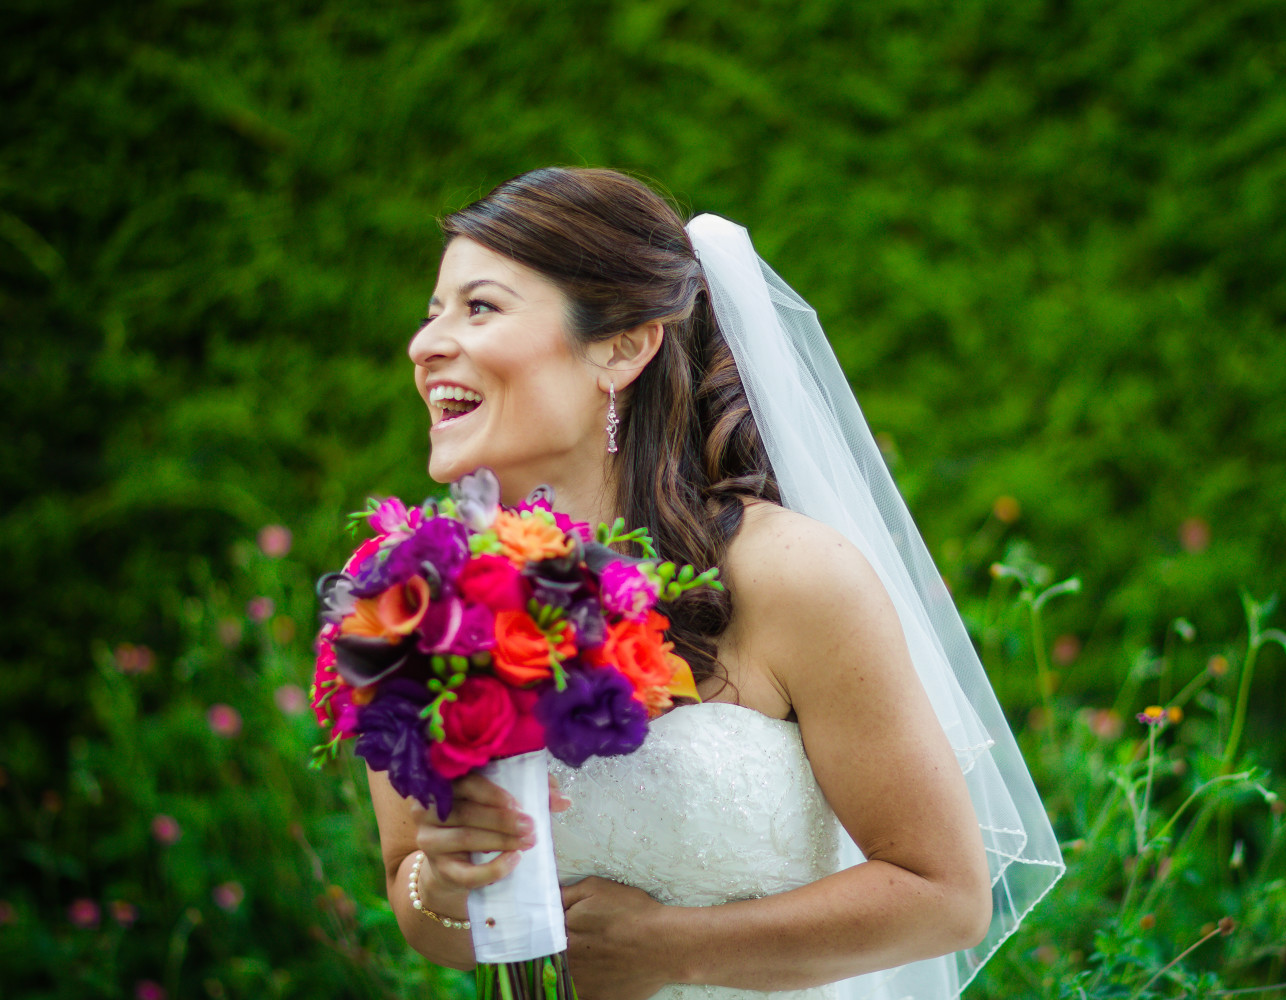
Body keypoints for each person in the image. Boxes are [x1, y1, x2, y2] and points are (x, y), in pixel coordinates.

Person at [368, 167, 1062, 1000]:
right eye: (431, 313)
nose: (426, 343)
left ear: (622, 347)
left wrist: (675, 948)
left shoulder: (790, 576)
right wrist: (441, 888)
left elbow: (944, 898)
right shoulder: (418, 600)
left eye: (479, 307)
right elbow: (415, 894)